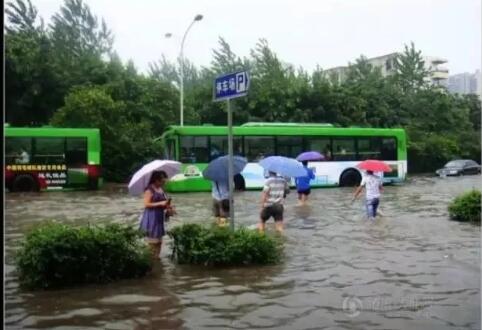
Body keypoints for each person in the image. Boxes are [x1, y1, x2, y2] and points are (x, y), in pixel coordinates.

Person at [139, 171, 175, 259]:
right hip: (151, 217)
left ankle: (156, 259)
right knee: (152, 242)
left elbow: (165, 203)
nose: (164, 182)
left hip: (159, 217)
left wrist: (169, 207)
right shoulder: (149, 190)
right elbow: (146, 204)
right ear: (156, 180)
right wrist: (160, 203)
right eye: (162, 181)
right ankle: (150, 260)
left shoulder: (161, 189)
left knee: (159, 241)